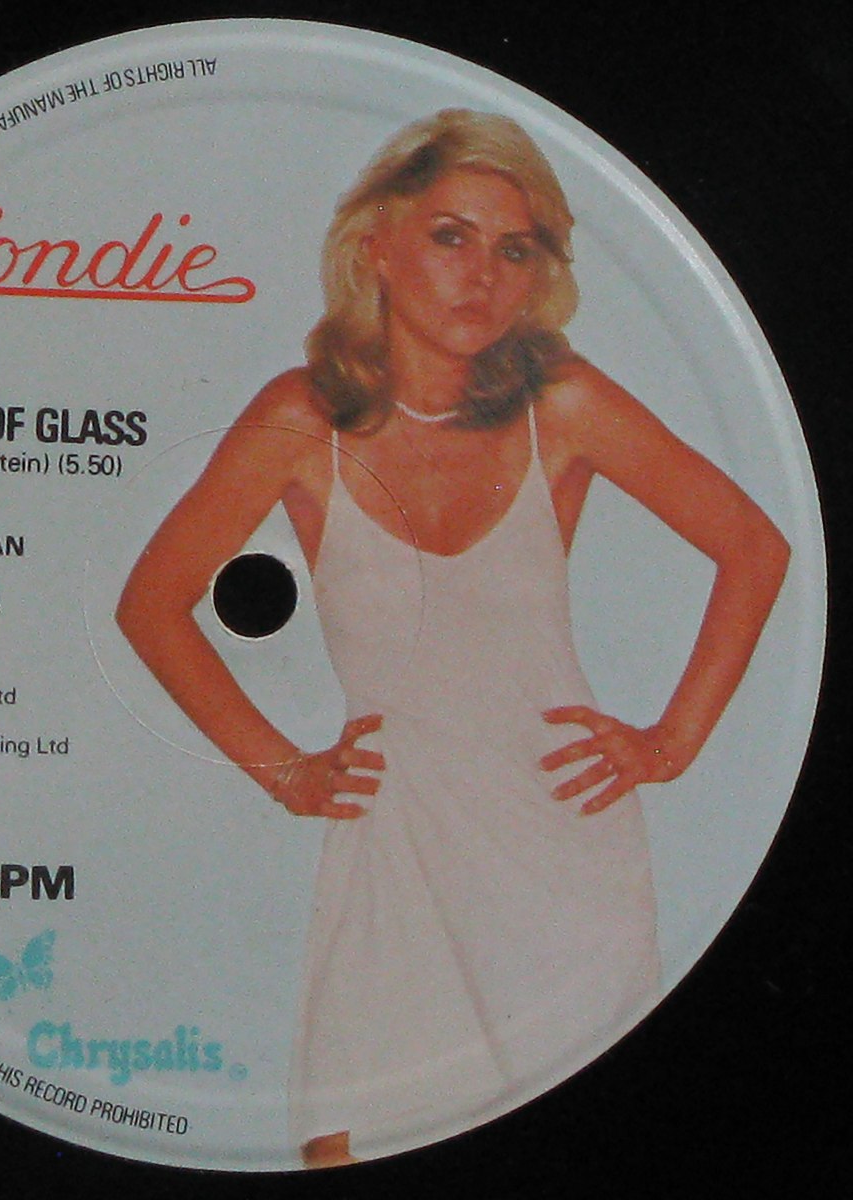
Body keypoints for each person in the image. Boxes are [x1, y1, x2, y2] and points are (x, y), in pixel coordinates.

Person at [115, 109, 789, 1168]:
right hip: (394, 845)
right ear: (377, 247)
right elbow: (152, 604)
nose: (482, 274)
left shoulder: (563, 405)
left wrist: (670, 745)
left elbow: (754, 546)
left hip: (567, 859)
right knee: (342, 1147)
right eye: (450, 236)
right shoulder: (300, 419)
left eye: (513, 249)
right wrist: (284, 772)